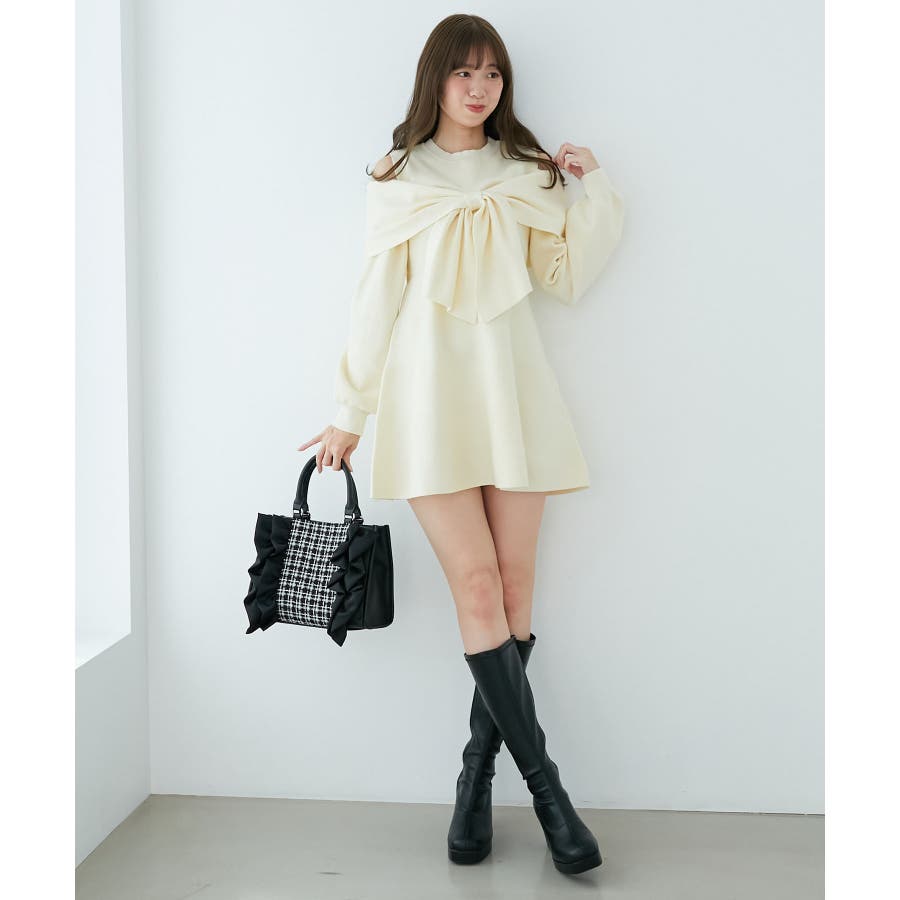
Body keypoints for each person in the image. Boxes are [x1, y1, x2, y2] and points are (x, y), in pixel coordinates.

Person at [298, 13, 624, 877]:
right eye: (464, 73)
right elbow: (376, 298)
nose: (479, 89)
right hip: (429, 400)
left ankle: (475, 778)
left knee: (514, 596)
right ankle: (552, 801)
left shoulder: (525, 174)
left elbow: (565, 277)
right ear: (435, 80)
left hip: (514, 397)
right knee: (476, 587)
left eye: (492, 75)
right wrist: (349, 411)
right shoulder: (398, 177)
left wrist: (592, 190)